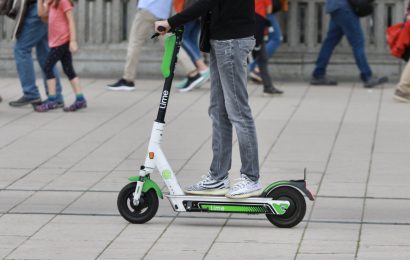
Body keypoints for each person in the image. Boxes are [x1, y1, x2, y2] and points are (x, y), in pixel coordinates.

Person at [155, 0, 262, 198]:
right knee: (218, 110)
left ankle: (251, 177)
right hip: (221, 40)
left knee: (238, 111)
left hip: (232, 41)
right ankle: (218, 177)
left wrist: (172, 21)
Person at [310, 0, 388, 88]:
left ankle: (318, 74)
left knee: (329, 42)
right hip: (344, 7)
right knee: (358, 42)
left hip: (334, 7)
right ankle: (367, 77)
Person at [106, 0, 173, 91]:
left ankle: (128, 79)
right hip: (162, 11)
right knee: (171, 45)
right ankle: (193, 71)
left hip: (148, 8)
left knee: (135, 42)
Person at [9, 0, 64, 108]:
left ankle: (31, 93)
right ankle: (56, 97)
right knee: (45, 54)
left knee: (21, 49)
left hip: (39, 7)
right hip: (42, 7)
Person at [35, 0, 86, 112]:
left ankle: (52, 100)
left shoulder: (63, 1)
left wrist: (73, 40)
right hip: (56, 42)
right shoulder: (51, 2)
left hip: (62, 41)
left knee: (48, 66)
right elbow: (42, 16)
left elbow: (71, 21)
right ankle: (80, 99)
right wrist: (40, 2)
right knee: (69, 70)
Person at [173, 0, 210, 92]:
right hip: (198, 8)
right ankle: (199, 70)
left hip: (191, 7)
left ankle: (202, 67)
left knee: (182, 37)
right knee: (191, 39)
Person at [252, 0, 283, 95]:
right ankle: (267, 85)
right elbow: (268, 7)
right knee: (259, 56)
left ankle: (268, 86)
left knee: (262, 57)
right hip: (259, 18)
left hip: (256, 18)